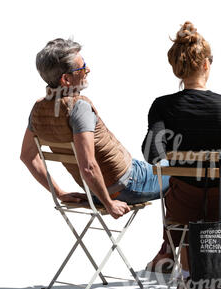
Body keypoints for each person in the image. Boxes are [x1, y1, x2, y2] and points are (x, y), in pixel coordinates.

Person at [141, 22, 221, 289]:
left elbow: (152, 154)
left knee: (184, 202)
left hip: (181, 208)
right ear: (206, 65)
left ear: (178, 68)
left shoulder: (162, 106)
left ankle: (188, 274)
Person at [20, 38, 170, 220]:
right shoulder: (79, 107)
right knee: (181, 168)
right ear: (66, 79)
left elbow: (27, 156)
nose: (88, 70)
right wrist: (109, 204)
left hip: (96, 191)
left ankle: (170, 243)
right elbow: (89, 166)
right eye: (82, 68)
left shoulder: (38, 111)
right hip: (128, 186)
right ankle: (174, 244)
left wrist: (59, 193)